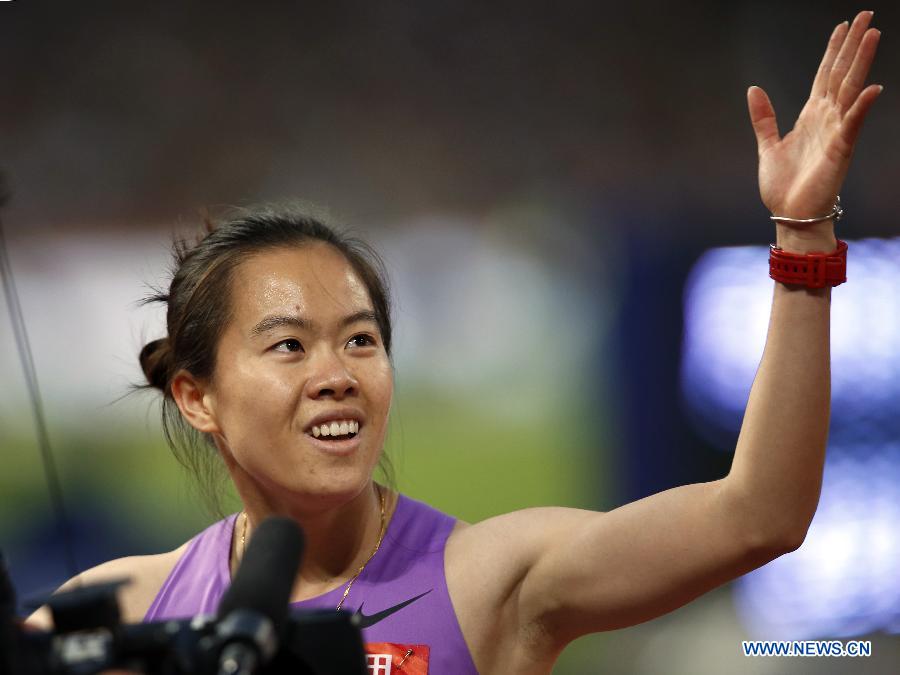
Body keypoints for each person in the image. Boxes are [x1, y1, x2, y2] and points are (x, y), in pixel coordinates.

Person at [28, 11, 882, 674]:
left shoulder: (491, 580)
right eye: (289, 346)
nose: (336, 374)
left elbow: (759, 514)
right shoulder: (124, 615)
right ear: (196, 395)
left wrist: (801, 235)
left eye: (360, 340)